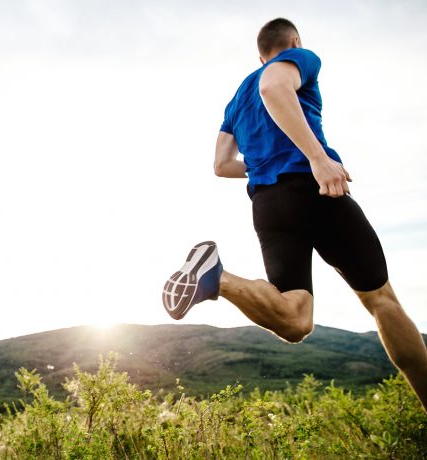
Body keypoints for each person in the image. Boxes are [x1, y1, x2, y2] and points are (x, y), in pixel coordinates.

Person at [162, 18, 427, 410]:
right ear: (293, 41)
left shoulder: (237, 98)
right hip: (314, 189)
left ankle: (217, 278)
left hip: (269, 206)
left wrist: (261, 160)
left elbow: (221, 164)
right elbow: (273, 86)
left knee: (296, 320)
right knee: (381, 301)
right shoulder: (298, 59)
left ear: (258, 53)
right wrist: (317, 159)